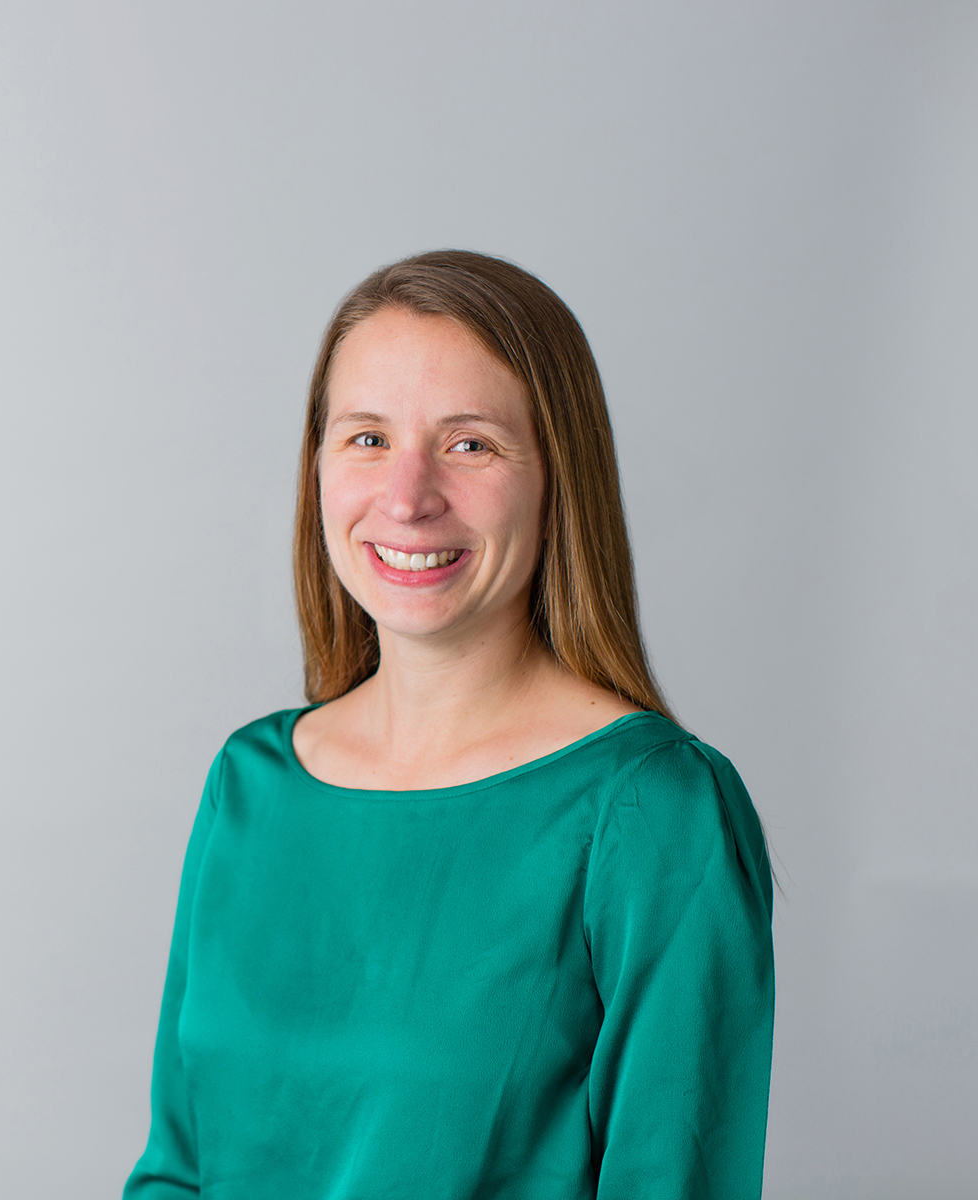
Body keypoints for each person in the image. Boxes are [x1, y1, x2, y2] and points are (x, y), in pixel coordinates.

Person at [123, 251, 775, 1200]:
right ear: (318, 468)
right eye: (367, 439)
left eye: (469, 444)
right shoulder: (251, 783)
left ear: (558, 475)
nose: (407, 496)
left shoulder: (653, 812)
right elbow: (176, 1172)